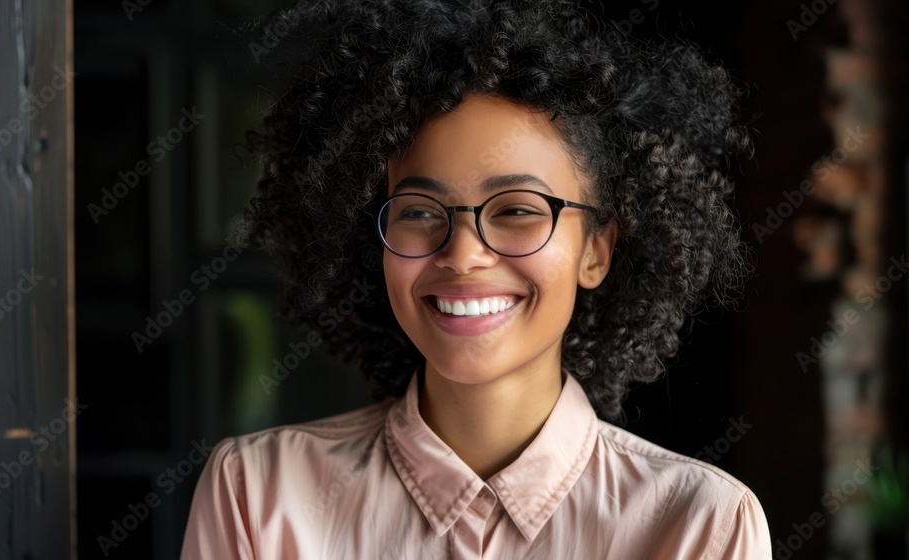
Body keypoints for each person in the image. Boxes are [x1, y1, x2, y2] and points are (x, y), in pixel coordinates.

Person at [181, 0, 772, 558]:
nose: (462, 255)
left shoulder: (702, 525)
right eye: (418, 212)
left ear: (597, 250)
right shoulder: (257, 494)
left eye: (516, 210)